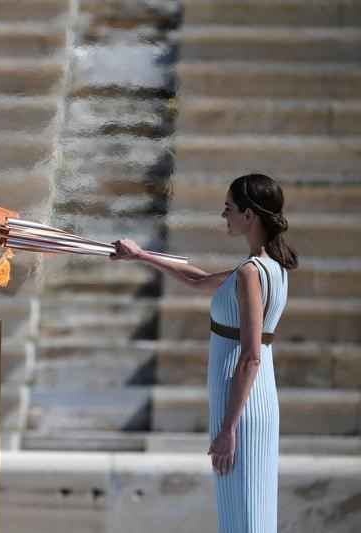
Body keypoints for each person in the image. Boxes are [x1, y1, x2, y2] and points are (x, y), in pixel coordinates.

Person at [111, 174, 297, 533]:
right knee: (249, 516)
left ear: (250, 216)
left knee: (244, 518)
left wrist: (228, 428)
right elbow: (197, 280)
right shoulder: (270, 269)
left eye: (228, 209)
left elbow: (251, 356)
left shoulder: (250, 273)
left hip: (240, 408)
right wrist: (140, 255)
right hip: (253, 404)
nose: (222, 215)